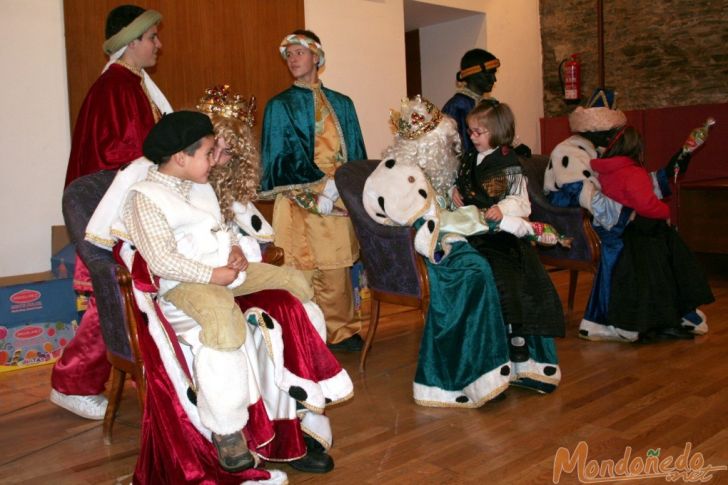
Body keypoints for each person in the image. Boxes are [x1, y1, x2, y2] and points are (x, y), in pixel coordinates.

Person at [51, 4, 172, 420]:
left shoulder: (129, 85)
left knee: (127, 300)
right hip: (117, 216)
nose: (159, 44)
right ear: (131, 41)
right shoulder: (118, 88)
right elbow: (123, 158)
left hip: (124, 211)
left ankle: (143, 374)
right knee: (116, 300)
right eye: (152, 37)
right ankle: (72, 381)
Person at [260, 30, 367, 352]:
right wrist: (314, 194)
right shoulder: (279, 106)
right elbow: (277, 157)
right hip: (297, 199)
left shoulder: (343, 104)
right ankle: (305, 332)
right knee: (300, 268)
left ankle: (343, 330)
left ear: (316, 57)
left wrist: (342, 188)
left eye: (299, 53)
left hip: (337, 195)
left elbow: (355, 153)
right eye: (288, 54)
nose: (293, 59)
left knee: (336, 267)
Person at [452, 101, 564, 393]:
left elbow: (520, 201)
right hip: (472, 230)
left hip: (501, 235)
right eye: (471, 131)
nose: (473, 137)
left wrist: (502, 209)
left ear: (498, 131)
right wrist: (454, 192)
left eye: (479, 132)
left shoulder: (508, 161)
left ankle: (518, 335)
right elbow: (462, 186)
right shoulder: (467, 160)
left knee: (506, 275)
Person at [583, 125, 714, 341]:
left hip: (619, 230)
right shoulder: (632, 172)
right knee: (677, 259)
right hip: (640, 233)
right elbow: (645, 204)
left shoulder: (606, 169)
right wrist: (665, 212)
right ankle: (676, 311)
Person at [442, 49, 500, 153]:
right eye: (488, 74)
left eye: (494, 74)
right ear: (473, 75)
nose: (494, 79)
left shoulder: (491, 104)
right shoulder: (457, 106)